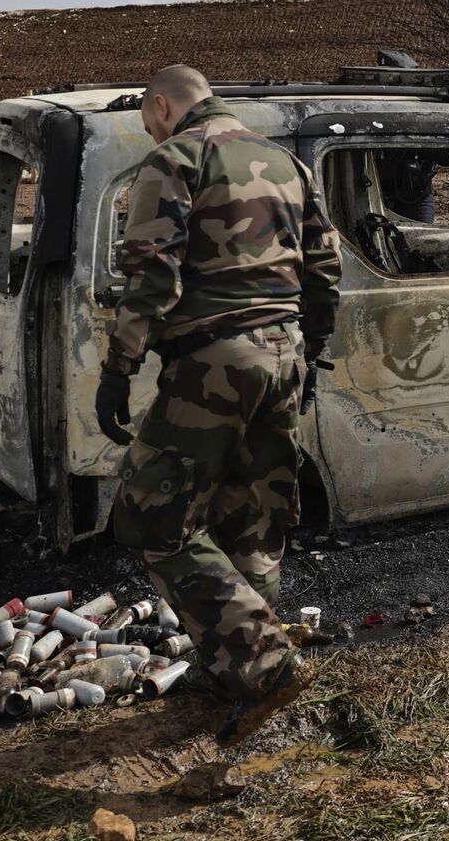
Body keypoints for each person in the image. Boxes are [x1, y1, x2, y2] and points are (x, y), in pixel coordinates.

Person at [94, 65, 344, 745]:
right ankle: (238, 674)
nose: (150, 129)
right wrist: (311, 351)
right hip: (285, 355)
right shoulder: (285, 161)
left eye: (148, 118)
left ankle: (264, 665)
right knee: (251, 515)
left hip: (214, 360)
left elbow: (151, 273)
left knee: (150, 515)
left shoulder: (176, 158)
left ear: (164, 105)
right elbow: (325, 266)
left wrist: (119, 368)